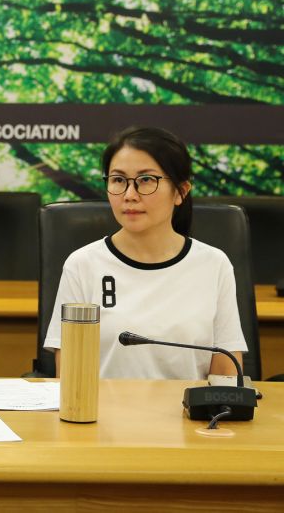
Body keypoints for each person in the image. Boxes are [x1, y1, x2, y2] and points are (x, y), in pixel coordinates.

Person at [44, 126, 246, 379]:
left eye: (146, 180)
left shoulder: (214, 265)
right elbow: (70, 379)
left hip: (191, 417)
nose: (129, 195)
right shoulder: (83, 265)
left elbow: (226, 374)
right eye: (118, 180)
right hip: (103, 416)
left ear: (181, 191)